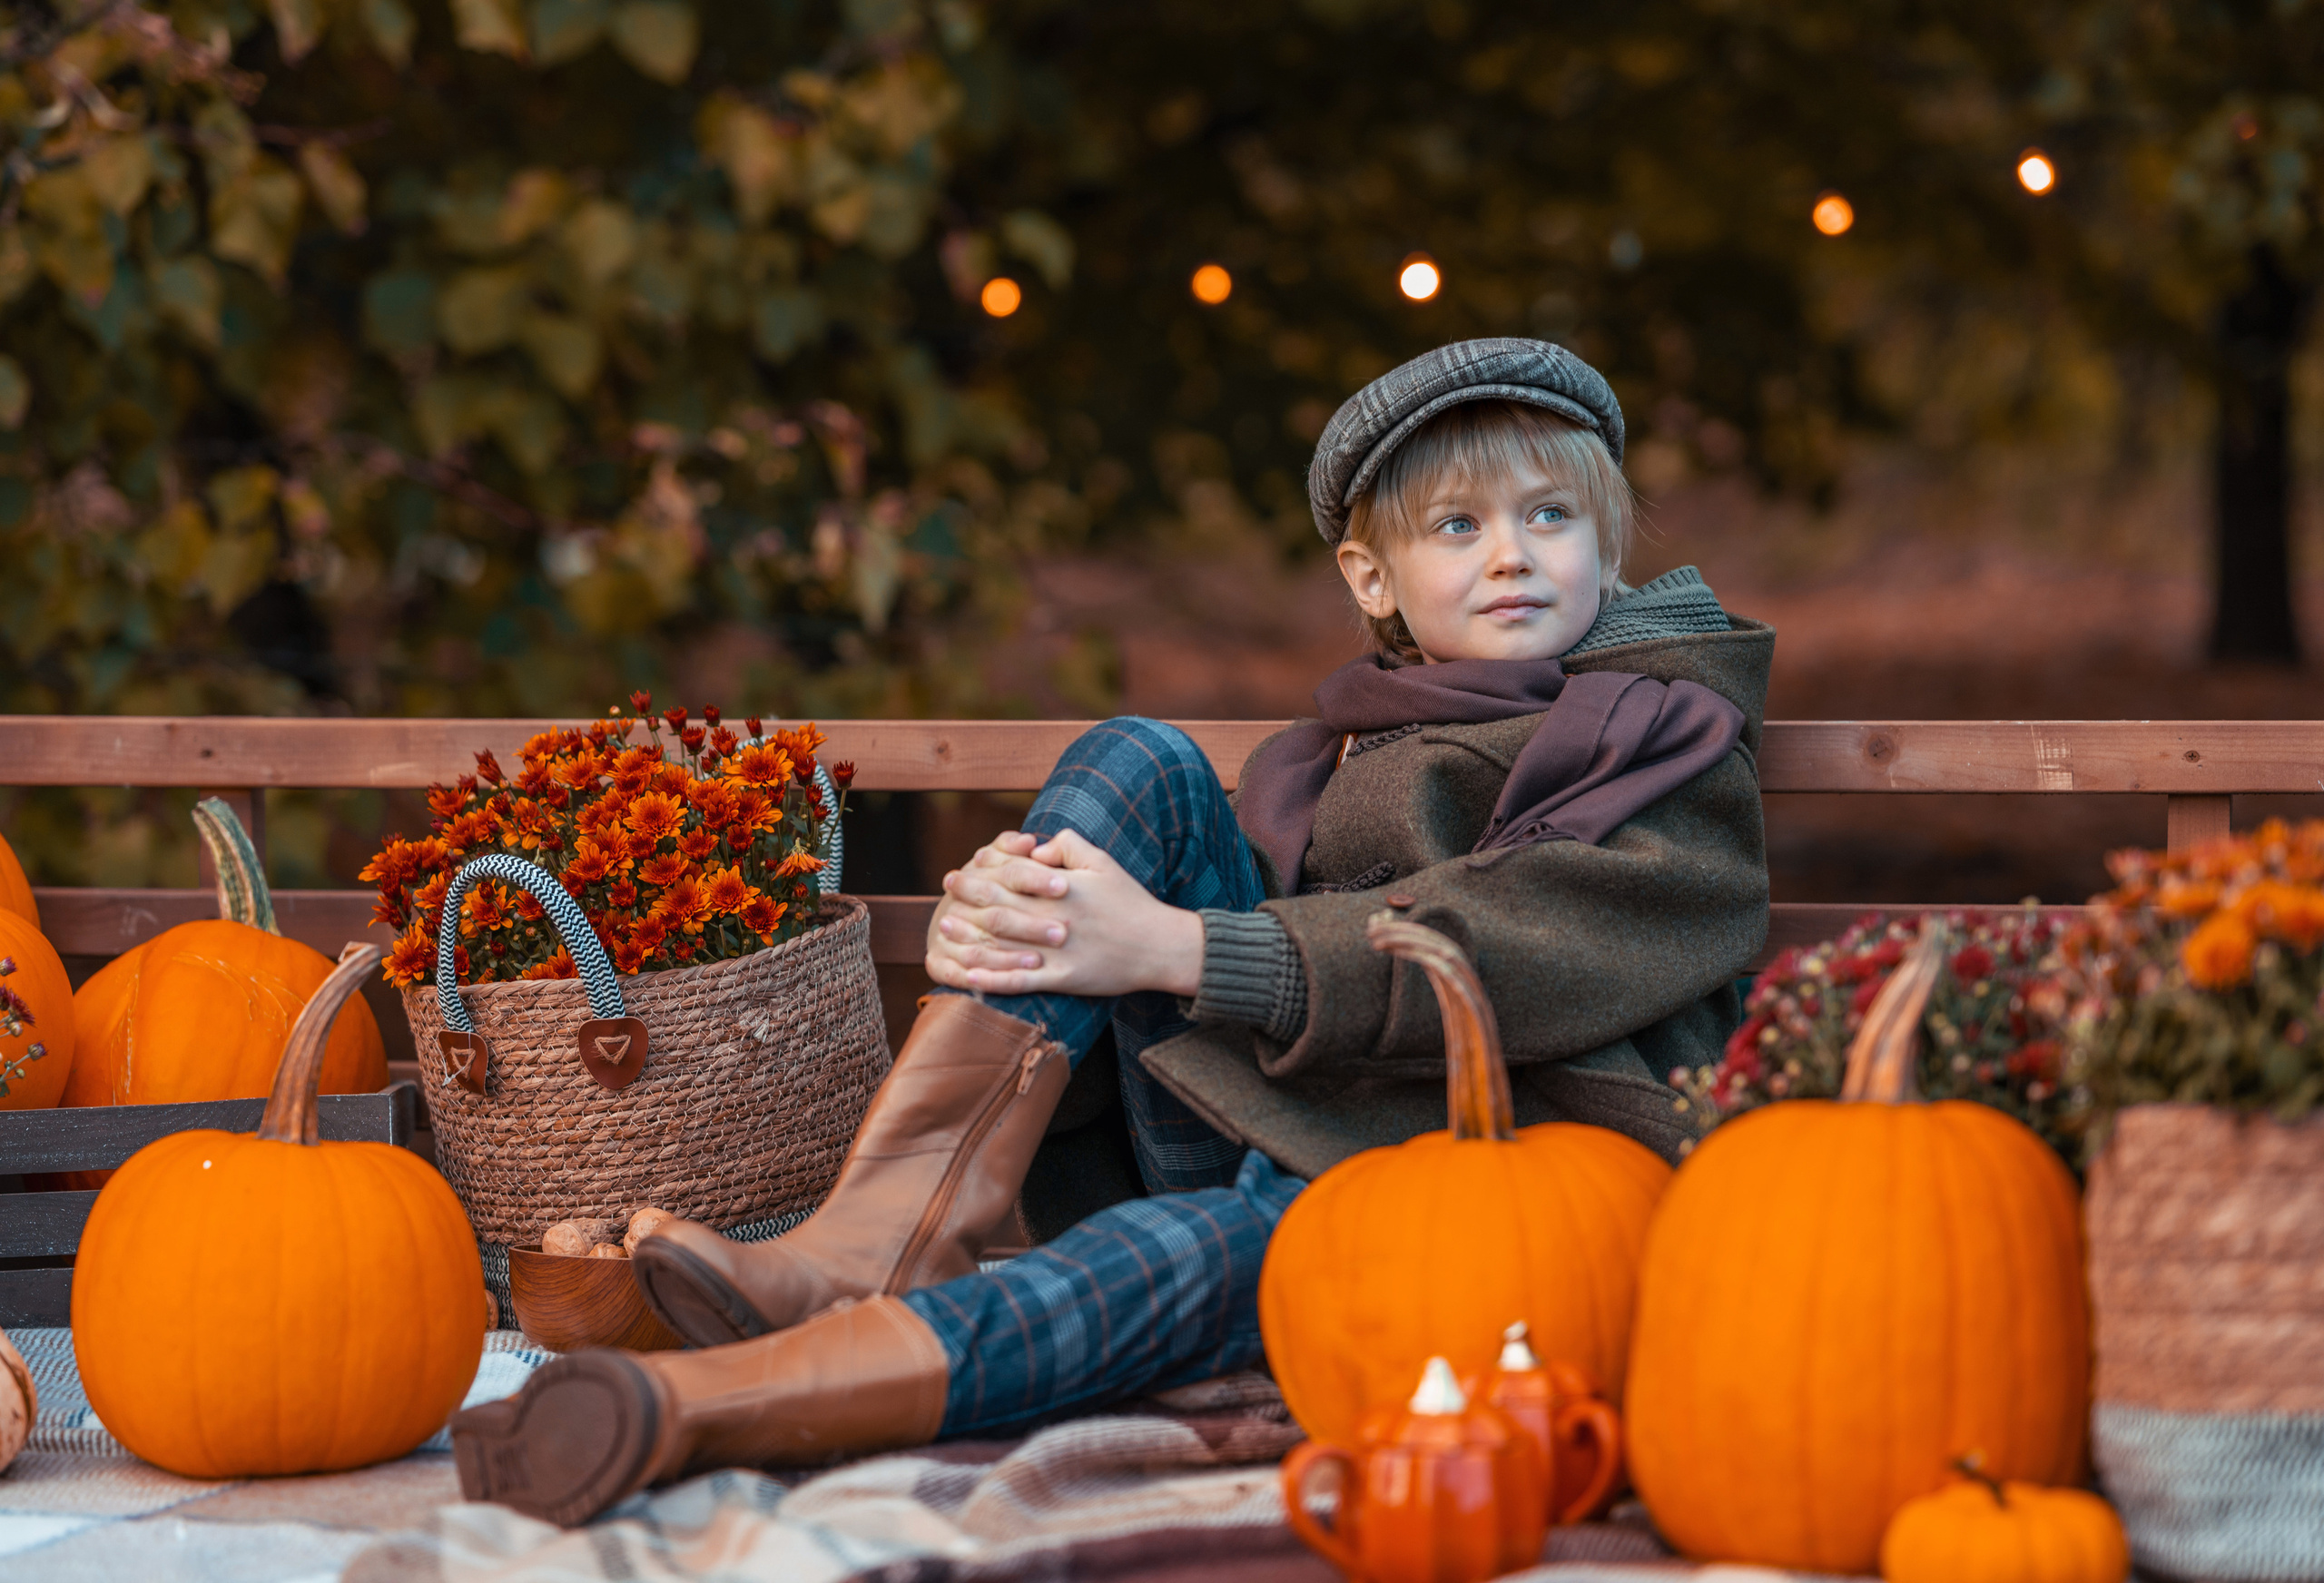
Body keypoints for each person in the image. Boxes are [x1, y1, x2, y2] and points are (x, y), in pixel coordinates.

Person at [451, 338, 1774, 1527]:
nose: (1512, 553)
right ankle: (880, 1229)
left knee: (1170, 1252)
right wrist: (1026, 905)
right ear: (1372, 577)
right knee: (1138, 758)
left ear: (1607, 548)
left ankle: (694, 1412)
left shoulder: (1669, 745)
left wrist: (1169, 950)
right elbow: (1164, 915)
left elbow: (1507, 943)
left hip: (1456, 1227)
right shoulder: (1354, 744)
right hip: (1281, 1123)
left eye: (1552, 517)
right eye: (1459, 525)